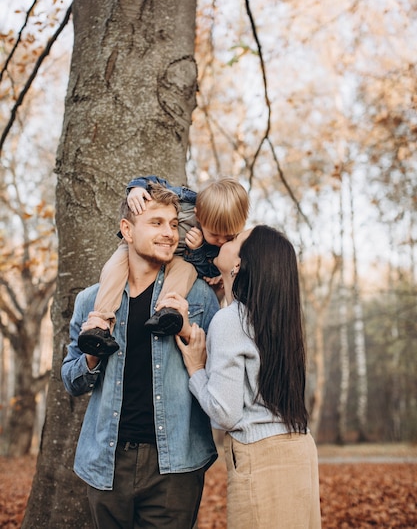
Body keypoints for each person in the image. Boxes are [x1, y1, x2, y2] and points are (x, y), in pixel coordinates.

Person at [61, 183, 220, 529]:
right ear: (127, 230)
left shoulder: (198, 298)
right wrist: (91, 358)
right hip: (107, 462)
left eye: (174, 224)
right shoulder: (91, 302)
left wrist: (189, 332)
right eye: (157, 223)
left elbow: (219, 377)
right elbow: (71, 381)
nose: (169, 233)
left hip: (176, 465)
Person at [176, 225, 322, 529]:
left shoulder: (230, 321)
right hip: (300, 451)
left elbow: (225, 413)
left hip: (262, 457)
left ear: (240, 264)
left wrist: (195, 369)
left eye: (236, 240)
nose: (226, 241)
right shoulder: (276, 319)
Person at [78, 175, 249, 356]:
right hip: (136, 248)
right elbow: (155, 184)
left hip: (178, 258)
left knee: (186, 271)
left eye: (229, 237)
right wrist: (136, 189)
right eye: (215, 234)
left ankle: (167, 312)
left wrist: (198, 251)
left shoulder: (217, 247)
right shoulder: (184, 201)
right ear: (199, 214)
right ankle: (101, 324)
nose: (221, 242)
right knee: (114, 268)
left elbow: (208, 271)